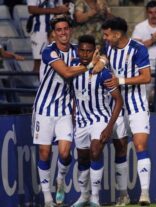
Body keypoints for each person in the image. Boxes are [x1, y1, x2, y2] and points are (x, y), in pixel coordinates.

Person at [32, 14, 104, 207]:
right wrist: (90, 65)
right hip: (44, 109)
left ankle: (60, 181)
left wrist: (101, 62)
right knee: (45, 153)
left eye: (66, 29)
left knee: (64, 153)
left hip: (64, 109)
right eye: (59, 30)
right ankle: (48, 199)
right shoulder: (49, 51)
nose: (63, 33)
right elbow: (65, 71)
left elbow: (99, 55)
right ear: (53, 33)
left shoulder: (75, 50)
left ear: (70, 30)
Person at [101, 17, 152, 206]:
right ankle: (123, 194)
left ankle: (145, 194)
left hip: (137, 105)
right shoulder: (108, 48)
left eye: (107, 35)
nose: (105, 38)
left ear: (117, 34)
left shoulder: (138, 49)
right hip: (116, 106)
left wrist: (120, 81)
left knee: (140, 145)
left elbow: (146, 77)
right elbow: (102, 62)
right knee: (120, 147)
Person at [70, 35, 123, 207]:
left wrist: (109, 127)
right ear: (78, 51)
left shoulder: (104, 73)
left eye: (89, 51)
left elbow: (118, 100)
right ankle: (84, 196)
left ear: (95, 52)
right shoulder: (74, 70)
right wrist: (74, 118)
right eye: (82, 50)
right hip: (81, 121)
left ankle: (95, 198)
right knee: (83, 159)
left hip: (100, 119)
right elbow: (74, 98)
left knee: (95, 151)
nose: (85, 54)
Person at [27, 0, 70, 73]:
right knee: (39, 61)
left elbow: (59, 8)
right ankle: (37, 84)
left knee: (57, 58)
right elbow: (31, 9)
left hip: (55, 29)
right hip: (39, 30)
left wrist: (64, 10)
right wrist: (55, 10)